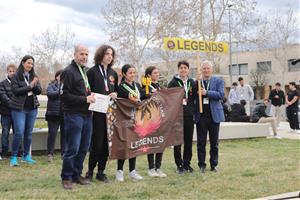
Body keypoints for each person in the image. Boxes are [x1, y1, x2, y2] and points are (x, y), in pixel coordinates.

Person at [60, 45, 96, 190]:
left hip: (87, 115)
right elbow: (63, 95)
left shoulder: (84, 71)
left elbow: (84, 90)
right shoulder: (68, 72)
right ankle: (66, 177)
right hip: (73, 114)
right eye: (82, 54)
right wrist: (84, 99)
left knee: (83, 148)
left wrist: (91, 96)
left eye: (87, 54)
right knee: (73, 148)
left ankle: (76, 174)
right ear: (75, 54)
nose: (85, 57)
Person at [85, 45, 118, 183]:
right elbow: (87, 91)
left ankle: (101, 172)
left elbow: (116, 91)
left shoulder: (113, 73)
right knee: (97, 143)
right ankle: (90, 171)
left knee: (106, 143)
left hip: (109, 113)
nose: (109, 56)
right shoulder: (92, 72)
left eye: (111, 54)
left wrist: (115, 94)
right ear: (100, 55)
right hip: (96, 112)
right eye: (107, 54)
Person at [9, 55, 42, 166]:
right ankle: (13, 157)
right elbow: (15, 91)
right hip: (19, 109)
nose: (30, 65)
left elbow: (38, 91)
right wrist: (30, 86)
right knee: (19, 132)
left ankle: (26, 156)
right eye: (28, 63)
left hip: (32, 109)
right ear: (23, 63)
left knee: (28, 133)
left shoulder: (34, 76)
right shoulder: (16, 76)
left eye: (32, 63)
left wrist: (35, 85)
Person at [194, 60, 225, 174]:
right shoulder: (197, 82)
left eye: (208, 68)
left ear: (211, 70)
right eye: (204, 68)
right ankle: (201, 165)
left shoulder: (218, 81)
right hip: (201, 115)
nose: (206, 70)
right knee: (201, 142)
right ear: (201, 70)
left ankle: (214, 164)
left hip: (214, 116)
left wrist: (206, 93)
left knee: (214, 142)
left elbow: (221, 95)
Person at [116, 64, 144, 182]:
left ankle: (132, 171)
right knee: (124, 144)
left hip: (136, 119)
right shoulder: (121, 87)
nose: (132, 75)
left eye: (134, 72)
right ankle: (119, 171)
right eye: (130, 73)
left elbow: (142, 99)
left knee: (134, 144)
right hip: (125, 119)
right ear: (124, 74)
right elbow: (131, 99)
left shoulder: (137, 85)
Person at [168, 60, 196, 174]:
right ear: (178, 69)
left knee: (188, 141)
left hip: (189, 115)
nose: (183, 70)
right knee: (178, 141)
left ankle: (187, 163)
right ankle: (179, 165)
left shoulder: (192, 82)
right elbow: (169, 99)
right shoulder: (173, 82)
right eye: (181, 68)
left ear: (188, 70)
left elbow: (195, 96)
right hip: (177, 116)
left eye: (185, 68)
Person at [143, 66, 167, 178]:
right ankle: (151, 168)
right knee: (151, 142)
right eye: (155, 73)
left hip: (160, 118)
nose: (157, 74)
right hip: (149, 119)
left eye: (158, 72)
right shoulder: (145, 87)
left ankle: (158, 167)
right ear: (149, 75)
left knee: (160, 143)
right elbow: (144, 98)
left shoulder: (159, 86)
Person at [45, 70, 65, 162]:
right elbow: (50, 94)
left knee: (65, 135)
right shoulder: (51, 85)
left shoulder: (67, 86)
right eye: (61, 75)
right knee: (52, 134)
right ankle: (50, 154)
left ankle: (64, 153)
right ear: (57, 76)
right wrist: (60, 91)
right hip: (53, 114)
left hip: (65, 113)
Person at [0, 64, 17, 159]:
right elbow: (3, 96)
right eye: (10, 71)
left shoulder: (19, 83)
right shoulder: (2, 83)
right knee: (5, 133)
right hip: (6, 113)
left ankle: (17, 152)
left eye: (14, 71)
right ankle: (4, 153)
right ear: (7, 72)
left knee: (17, 133)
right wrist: (14, 103)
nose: (12, 73)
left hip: (17, 113)